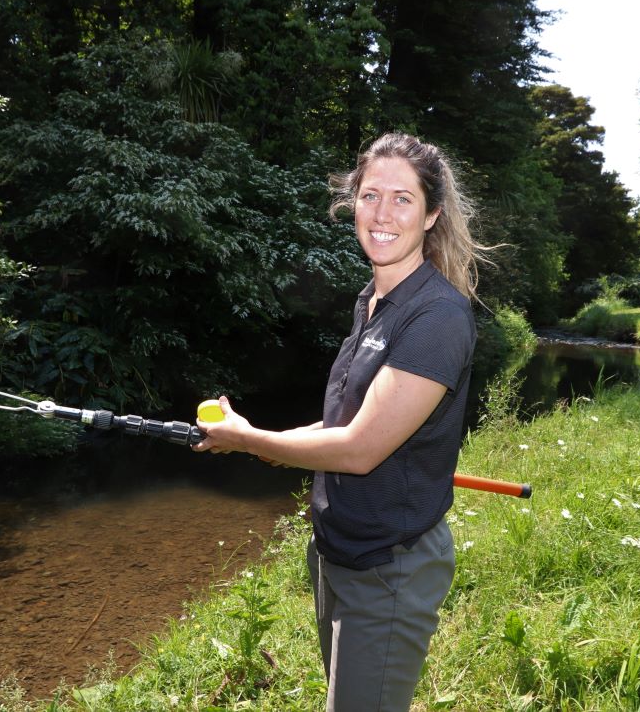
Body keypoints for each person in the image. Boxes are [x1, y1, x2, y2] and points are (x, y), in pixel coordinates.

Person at [193, 131, 486, 712]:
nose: (382, 214)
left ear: (431, 215)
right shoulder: (373, 302)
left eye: (402, 199)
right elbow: (340, 421)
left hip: (390, 568)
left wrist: (252, 441)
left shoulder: (438, 318)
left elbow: (358, 450)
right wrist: (249, 435)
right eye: (370, 195)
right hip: (338, 554)